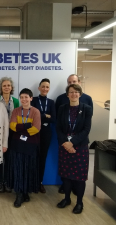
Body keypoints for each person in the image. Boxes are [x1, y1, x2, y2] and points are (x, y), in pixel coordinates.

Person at [56, 84, 92, 214]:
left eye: (76, 92)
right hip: (64, 146)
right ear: (67, 95)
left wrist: (72, 143)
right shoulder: (62, 108)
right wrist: (66, 143)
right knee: (66, 175)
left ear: (80, 94)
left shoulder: (87, 109)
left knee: (79, 177)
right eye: (71, 92)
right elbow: (58, 128)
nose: (74, 94)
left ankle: (79, 203)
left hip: (80, 147)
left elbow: (86, 129)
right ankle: (66, 199)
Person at [8, 88, 41, 208]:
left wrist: (20, 127)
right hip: (17, 145)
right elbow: (12, 126)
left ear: (31, 98)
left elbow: (36, 129)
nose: (24, 99)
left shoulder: (36, 112)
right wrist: (27, 126)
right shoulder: (16, 111)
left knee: (28, 169)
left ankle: (26, 192)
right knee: (18, 169)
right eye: (22, 97)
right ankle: (19, 194)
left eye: (26, 97)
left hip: (30, 145)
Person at [0, 77, 19, 193]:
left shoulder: (16, 101)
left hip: (13, 134)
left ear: (11, 87)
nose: (6, 87)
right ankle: (0, 182)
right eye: (4, 85)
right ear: (1, 88)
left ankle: (8, 182)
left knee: (9, 159)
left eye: (8, 85)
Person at [31, 78, 56, 193]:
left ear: (49, 89)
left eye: (47, 87)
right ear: (39, 88)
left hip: (46, 133)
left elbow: (54, 119)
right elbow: (32, 116)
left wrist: (40, 116)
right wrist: (46, 115)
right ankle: (31, 182)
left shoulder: (51, 102)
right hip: (34, 132)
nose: (45, 89)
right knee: (32, 157)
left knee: (42, 158)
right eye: (43, 86)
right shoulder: (34, 100)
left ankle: (39, 182)